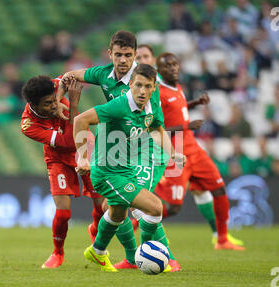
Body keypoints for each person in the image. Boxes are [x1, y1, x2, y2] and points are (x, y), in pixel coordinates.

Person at [59, 31, 181, 271]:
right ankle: (148, 255)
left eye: (128, 55)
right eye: (118, 55)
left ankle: (97, 251)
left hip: (129, 159)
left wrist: (173, 153)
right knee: (153, 207)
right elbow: (80, 117)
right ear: (110, 54)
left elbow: (157, 127)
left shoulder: (147, 102)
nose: (123, 60)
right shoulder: (118, 100)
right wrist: (82, 157)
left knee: (115, 210)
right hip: (108, 166)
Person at [135, 44, 243, 246]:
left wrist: (194, 103)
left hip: (194, 149)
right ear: (160, 69)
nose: (174, 68)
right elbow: (155, 129)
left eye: (176, 65)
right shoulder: (156, 92)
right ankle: (131, 222)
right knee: (174, 208)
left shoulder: (176, 86)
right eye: (169, 66)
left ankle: (222, 238)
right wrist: (187, 125)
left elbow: (178, 108)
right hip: (175, 154)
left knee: (218, 189)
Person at [20, 75, 103, 268]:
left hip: (86, 148)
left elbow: (67, 78)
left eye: (53, 100)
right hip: (58, 157)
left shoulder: (53, 88)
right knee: (64, 212)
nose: (52, 105)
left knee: (101, 206)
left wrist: (60, 96)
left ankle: (95, 235)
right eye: (48, 104)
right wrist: (73, 104)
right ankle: (58, 252)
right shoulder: (29, 125)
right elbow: (68, 141)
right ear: (33, 104)